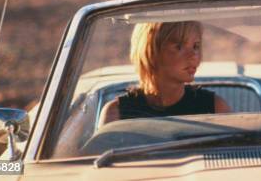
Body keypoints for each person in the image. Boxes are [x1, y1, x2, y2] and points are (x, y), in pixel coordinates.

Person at [99, 21, 230, 126]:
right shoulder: (116, 113)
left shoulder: (215, 108)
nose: (193, 55)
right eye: (179, 47)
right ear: (151, 51)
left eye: (196, 46)